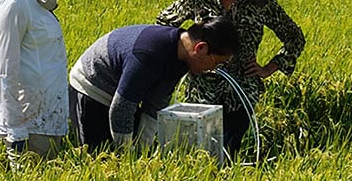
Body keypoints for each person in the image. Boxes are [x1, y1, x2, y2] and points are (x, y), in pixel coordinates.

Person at [156, 0, 305, 157]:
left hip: (241, 88)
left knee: (228, 150)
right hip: (201, 90)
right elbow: (163, 25)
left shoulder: (262, 1)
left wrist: (269, 68)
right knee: (197, 150)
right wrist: (186, 58)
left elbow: (295, 38)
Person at [68, 16, 238, 151]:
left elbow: (155, 105)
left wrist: (142, 149)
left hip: (121, 95)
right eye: (215, 62)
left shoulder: (182, 58)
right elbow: (121, 108)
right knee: (99, 155)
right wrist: (127, 156)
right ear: (200, 48)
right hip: (92, 86)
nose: (212, 69)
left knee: (131, 145)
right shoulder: (149, 54)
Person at [0, 0, 85, 169]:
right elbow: (4, 69)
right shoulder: (15, 0)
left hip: (46, 119)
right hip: (25, 122)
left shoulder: (37, 1)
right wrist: (15, 131)